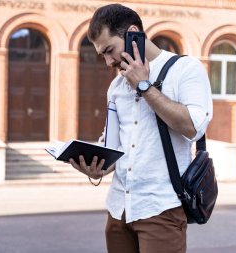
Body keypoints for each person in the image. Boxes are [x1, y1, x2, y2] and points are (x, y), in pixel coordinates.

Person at [69, 3, 213, 253]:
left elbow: (193, 127)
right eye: (102, 55)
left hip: (161, 209)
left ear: (133, 32)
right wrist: (97, 168)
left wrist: (144, 86)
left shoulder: (185, 69)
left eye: (109, 50)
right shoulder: (116, 87)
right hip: (118, 210)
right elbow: (114, 146)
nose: (108, 61)